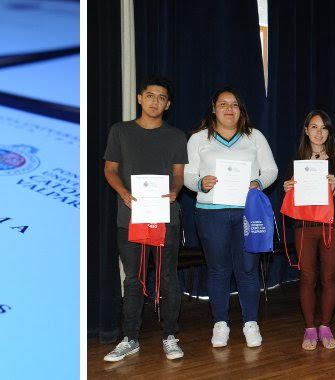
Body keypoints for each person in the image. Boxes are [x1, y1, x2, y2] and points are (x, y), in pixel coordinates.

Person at [184, 86, 279, 349]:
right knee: (218, 270)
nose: (229, 109)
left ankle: (251, 322)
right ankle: (220, 323)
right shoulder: (198, 139)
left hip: (247, 212)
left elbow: (271, 169)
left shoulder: (254, 137)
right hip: (210, 214)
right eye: (223, 104)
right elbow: (188, 175)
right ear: (213, 108)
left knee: (248, 269)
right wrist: (201, 182)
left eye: (235, 104)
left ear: (241, 110)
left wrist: (258, 182)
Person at [103, 76, 188, 362]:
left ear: (168, 104)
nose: (155, 101)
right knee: (133, 280)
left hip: (166, 218)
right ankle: (130, 338)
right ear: (140, 98)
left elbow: (179, 175)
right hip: (130, 217)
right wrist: (124, 193)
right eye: (150, 95)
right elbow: (110, 170)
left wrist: (176, 191)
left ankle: (170, 336)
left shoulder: (176, 136)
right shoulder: (120, 131)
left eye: (161, 97)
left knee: (168, 278)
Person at [282, 110, 335, 350]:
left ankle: (325, 325)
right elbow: (292, 195)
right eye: (314, 127)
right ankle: (310, 328)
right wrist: (287, 187)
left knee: (329, 277)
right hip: (304, 226)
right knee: (308, 278)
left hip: (331, 225)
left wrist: (334, 190)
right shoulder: (297, 159)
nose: (319, 132)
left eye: (324, 128)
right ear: (306, 130)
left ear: (329, 132)